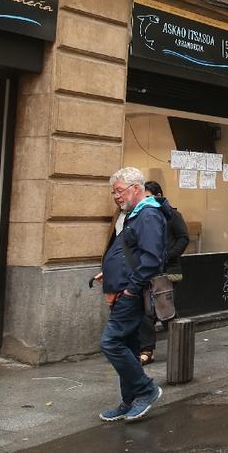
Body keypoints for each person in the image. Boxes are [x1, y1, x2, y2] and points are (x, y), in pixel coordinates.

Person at [98, 167, 165, 422]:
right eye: (114, 192)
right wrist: (109, 272)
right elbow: (131, 254)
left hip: (131, 293)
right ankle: (129, 400)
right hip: (125, 289)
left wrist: (130, 289)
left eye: (119, 191)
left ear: (136, 188)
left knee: (111, 342)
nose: (116, 196)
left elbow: (152, 259)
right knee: (128, 345)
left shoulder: (147, 215)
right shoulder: (134, 214)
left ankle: (146, 390)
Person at [127, 181, 191, 365]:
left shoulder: (172, 214)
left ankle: (181, 345)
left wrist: (167, 256)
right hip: (149, 271)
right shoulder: (141, 215)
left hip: (168, 271)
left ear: (158, 195)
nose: (145, 200)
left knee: (164, 310)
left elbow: (183, 238)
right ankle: (147, 349)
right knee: (148, 310)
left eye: (148, 196)